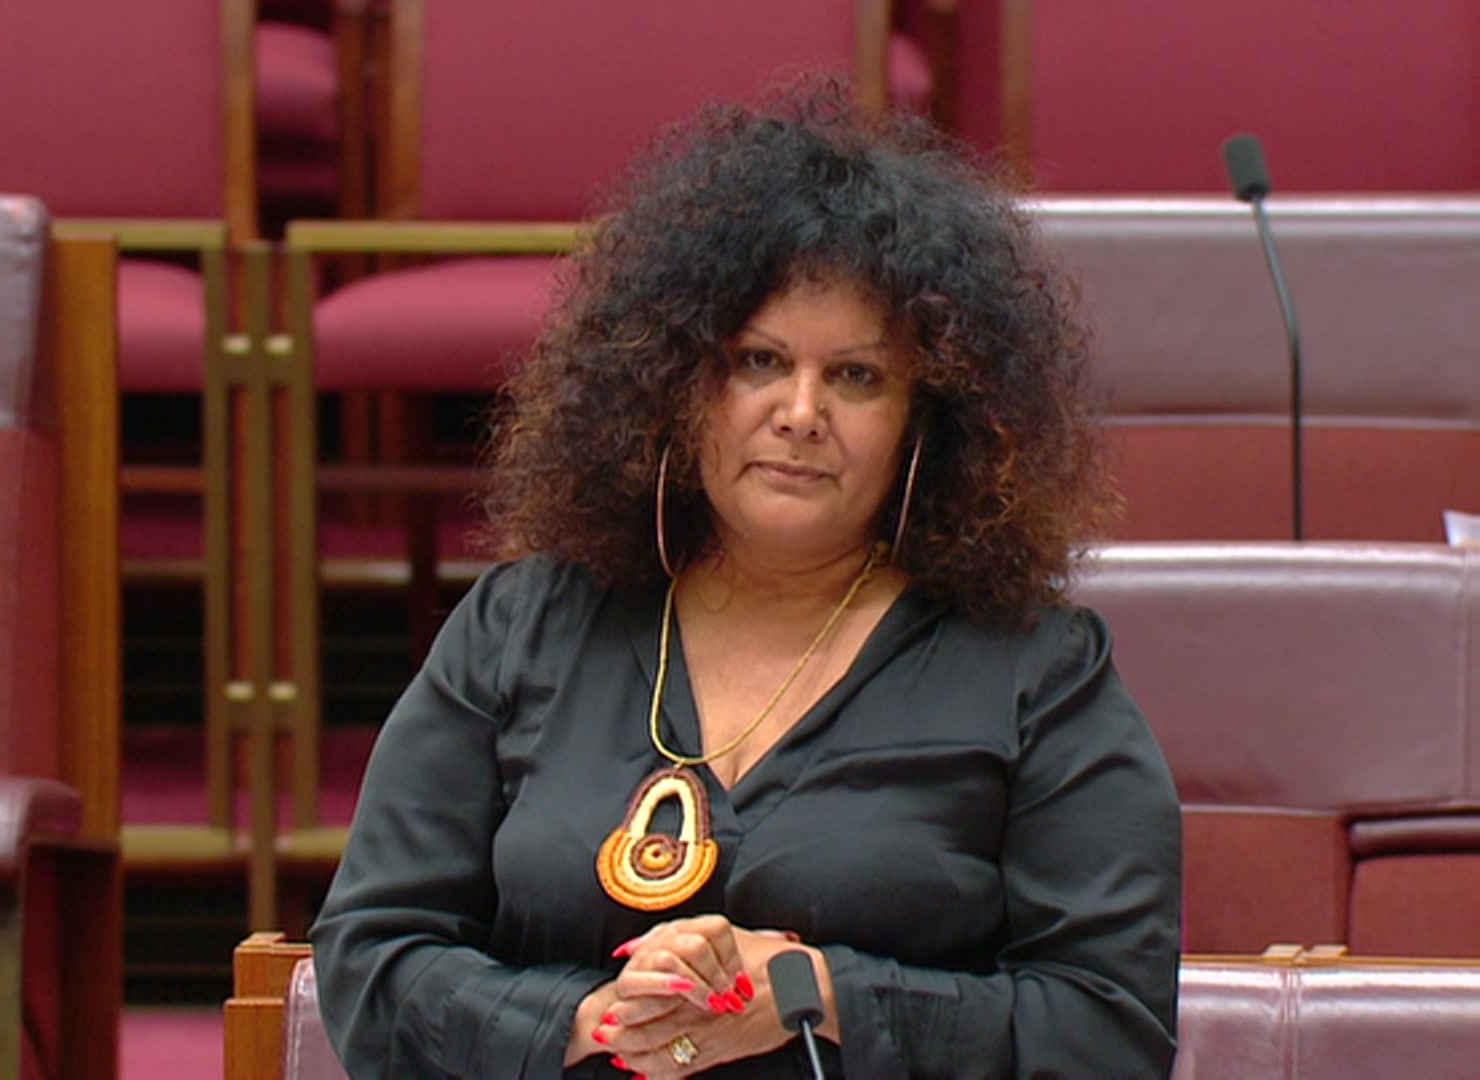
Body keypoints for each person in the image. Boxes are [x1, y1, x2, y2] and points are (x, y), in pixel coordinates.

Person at [310, 76, 1182, 1078]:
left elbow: (1110, 1030)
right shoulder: (526, 624)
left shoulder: (1035, 672)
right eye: (759, 361)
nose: (802, 412)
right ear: (676, 382)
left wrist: (821, 998)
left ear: (927, 421)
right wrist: (589, 1018)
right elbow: (372, 959)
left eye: (856, 376)